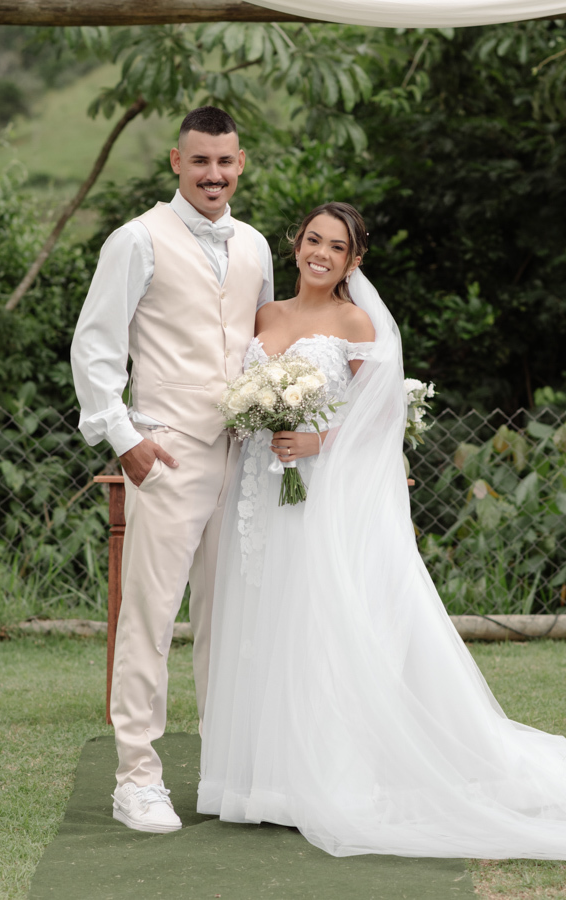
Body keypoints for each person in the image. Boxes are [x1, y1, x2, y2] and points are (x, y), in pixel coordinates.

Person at [198, 201, 566, 859]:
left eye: (336, 247)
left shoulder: (356, 322)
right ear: (296, 244)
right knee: (263, 617)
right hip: (259, 488)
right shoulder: (266, 315)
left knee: (312, 619)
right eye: (313, 239)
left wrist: (315, 442)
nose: (321, 253)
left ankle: (327, 776)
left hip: (319, 491)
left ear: (353, 261)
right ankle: (262, 781)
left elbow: (380, 418)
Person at [71, 106, 273, 834]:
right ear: (176, 162)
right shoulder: (136, 239)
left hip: (242, 458)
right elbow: (95, 345)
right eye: (200, 161)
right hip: (166, 452)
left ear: (240, 163)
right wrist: (123, 438)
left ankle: (226, 773)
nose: (213, 174)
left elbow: (263, 346)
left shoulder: (255, 245)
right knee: (149, 619)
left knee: (230, 621)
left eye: (224, 161)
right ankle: (136, 779)